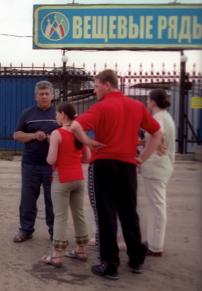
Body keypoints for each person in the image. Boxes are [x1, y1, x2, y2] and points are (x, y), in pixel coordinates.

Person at [70, 69, 162, 280]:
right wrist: (142, 159)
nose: (94, 91)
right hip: (128, 166)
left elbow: (75, 126)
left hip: (104, 165)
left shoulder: (101, 107)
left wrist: (88, 142)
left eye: (95, 86)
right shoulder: (137, 106)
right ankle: (136, 259)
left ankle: (110, 265)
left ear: (107, 85)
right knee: (129, 213)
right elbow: (157, 133)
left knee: (106, 215)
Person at [41, 103, 90, 267]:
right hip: (78, 178)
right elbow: (86, 158)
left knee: (61, 216)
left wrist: (51, 143)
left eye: (57, 114)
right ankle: (81, 249)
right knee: (79, 214)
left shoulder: (57, 133)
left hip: (61, 178)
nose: (55, 117)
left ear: (63, 115)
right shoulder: (79, 132)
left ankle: (56, 255)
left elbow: (51, 160)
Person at [12, 80, 58, 243]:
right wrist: (33, 135)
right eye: (41, 94)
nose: (44, 96)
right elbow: (16, 135)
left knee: (52, 200)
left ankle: (55, 232)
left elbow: (68, 135)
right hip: (30, 164)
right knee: (28, 199)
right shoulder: (27, 114)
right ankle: (25, 230)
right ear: (36, 96)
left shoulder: (58, 115)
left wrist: (52, 138)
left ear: (52, 95)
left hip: (52, 165)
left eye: (47, 93)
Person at [140, 89, 176, 257]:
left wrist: (143, 156)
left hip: (156, 166)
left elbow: (157, 133)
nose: (147, 102)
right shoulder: (165, 116)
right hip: (161, 166)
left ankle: (155, 246)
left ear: (153, 101)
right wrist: (146, 141)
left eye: (148, 99)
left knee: (157, 206)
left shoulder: (159, 117)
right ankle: (154, 240)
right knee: (156, 205)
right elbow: (156, 136)